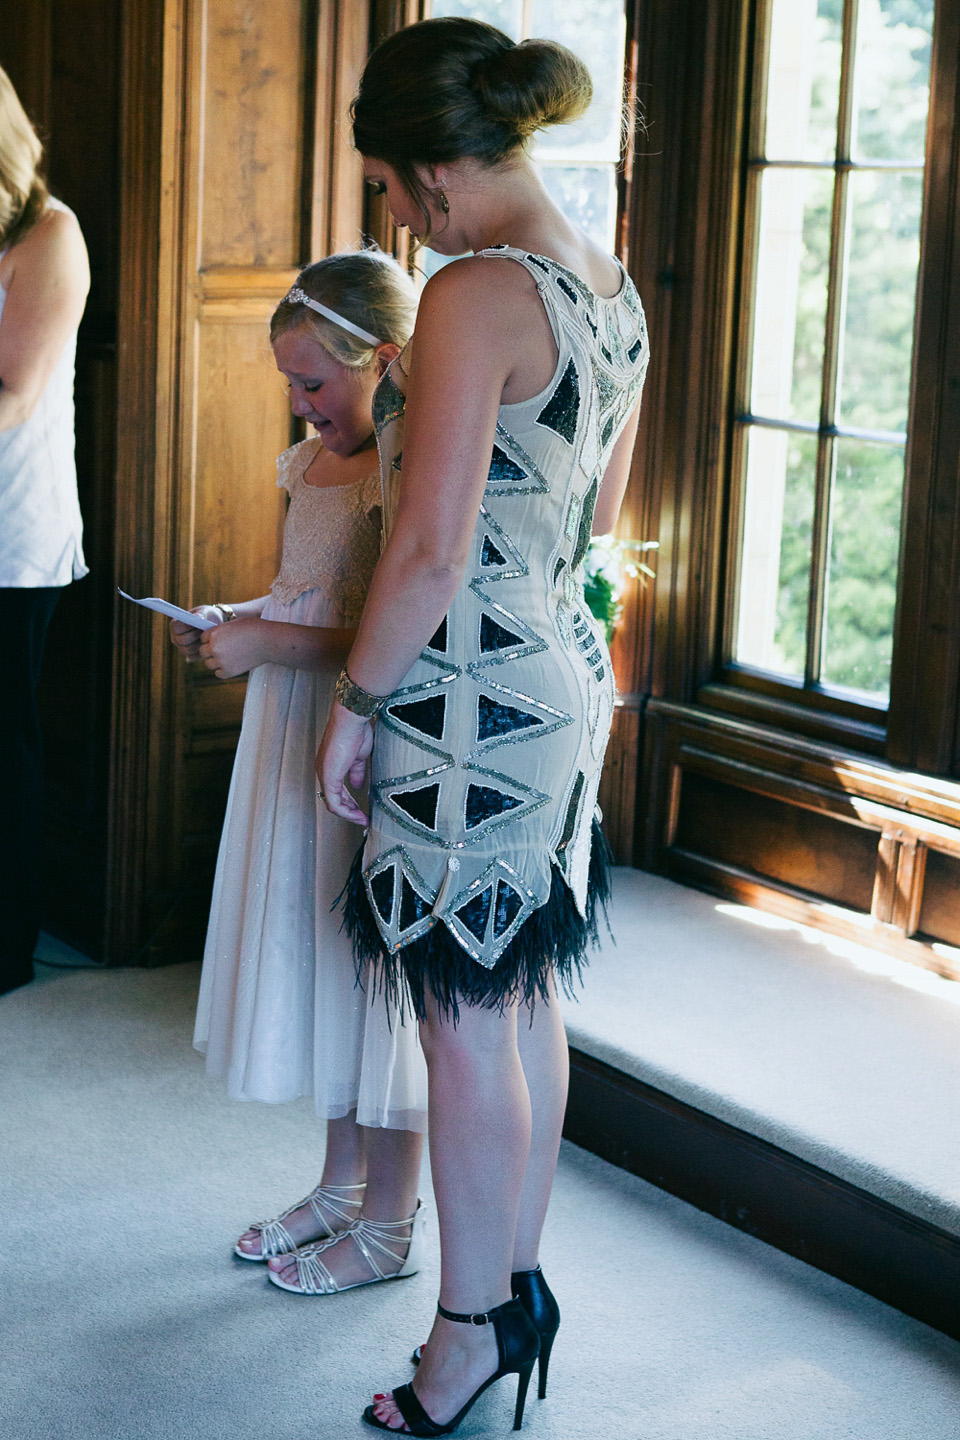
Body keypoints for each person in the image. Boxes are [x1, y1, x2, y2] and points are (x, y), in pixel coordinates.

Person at [316, 17, 649, 1435]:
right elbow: (600, 523)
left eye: (391, 186)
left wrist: (355, 703)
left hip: (465, 696)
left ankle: (462, 1338)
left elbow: (432, 547)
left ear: (438, 179)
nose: (394, 213)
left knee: (461, 1017)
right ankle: (511, 1291)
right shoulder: (610, 285)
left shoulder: (469, 290)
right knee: (520, 998)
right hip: (563, 672)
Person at [171, 251, 429, 1295]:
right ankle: (336, 1184)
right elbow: (306, 595)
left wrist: (271, 647)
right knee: (321, 957)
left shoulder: (404, 473)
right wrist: (246, 618)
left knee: (374, 977)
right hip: (292, 733)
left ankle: (391, 1218)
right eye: (290, 381)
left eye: (315, 381)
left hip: (362, 741)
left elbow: (385, 637)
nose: (300, 401)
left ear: (383, 362)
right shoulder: (307, 465)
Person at [0, 66, 90, 997]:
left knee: (2, 740)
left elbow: (13, 398)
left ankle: (5, 948)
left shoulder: (48, 233)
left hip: (9, 531)